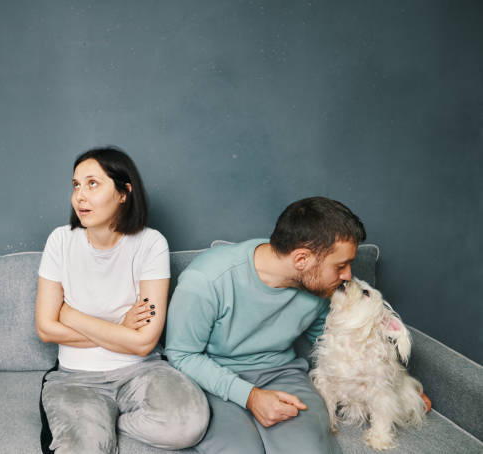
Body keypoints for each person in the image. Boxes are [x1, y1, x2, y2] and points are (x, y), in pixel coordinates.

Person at [35, 146, 209, 454]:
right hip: (76, 377)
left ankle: (108, 422)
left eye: (93, 184)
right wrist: (120, 327)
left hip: (143, 370)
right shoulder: (60, 241)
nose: (80, 196)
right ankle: (96, 423)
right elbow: (46, 329)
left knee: (188, 425)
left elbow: (143, 343)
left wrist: (70, 315)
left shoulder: (151, 243)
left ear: (124, 193)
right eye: (76, 185)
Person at [165, 197, 367, 454]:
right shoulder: (207, 279)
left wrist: (396, 389)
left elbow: (333, 344)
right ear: (302, 259)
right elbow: (182, 354)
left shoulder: (320, 288)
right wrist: (249, 396)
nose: (348, 275)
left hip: (282, 374)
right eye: (340, 266)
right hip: (211, 378)